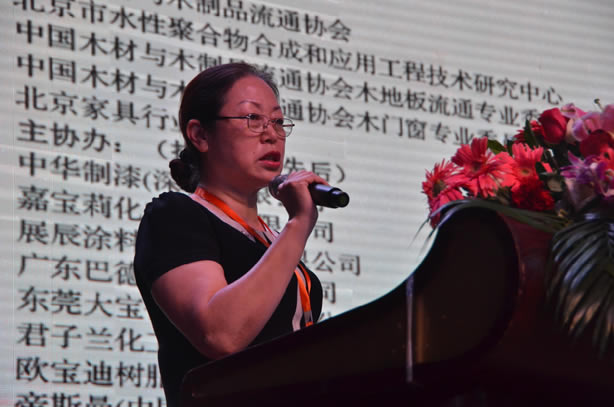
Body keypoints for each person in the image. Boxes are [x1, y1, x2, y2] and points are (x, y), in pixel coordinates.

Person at [133, 62, 325, 407]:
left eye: (278, 121)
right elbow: (220, 334)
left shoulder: (269, 239)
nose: (271, 134)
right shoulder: (175, 215)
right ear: (200, 135)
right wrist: (299, 224)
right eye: (252, 119)